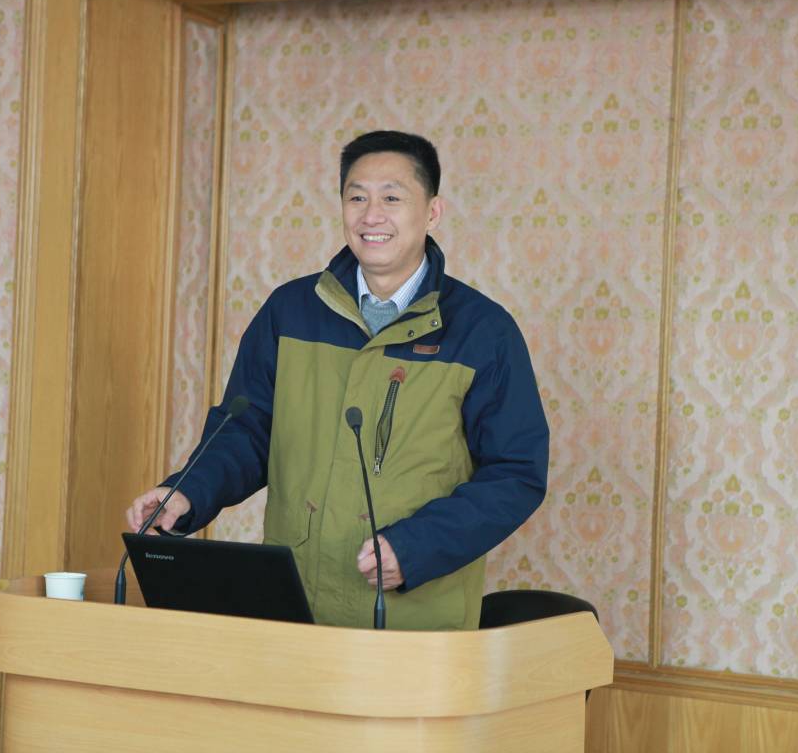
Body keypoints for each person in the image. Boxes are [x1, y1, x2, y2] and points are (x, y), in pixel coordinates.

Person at [126, 130, 549, 630]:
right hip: (294, 611)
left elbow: (515, 473)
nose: (371, 215)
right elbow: (247, 429)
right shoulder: (291, 312)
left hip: (415, 622)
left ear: (432, 212)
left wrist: (416, 548)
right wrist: (187, 492)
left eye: (392, 198)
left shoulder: (483, 332)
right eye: (357, 198)